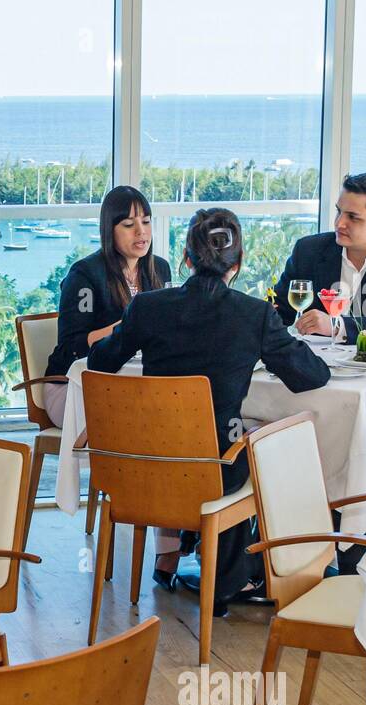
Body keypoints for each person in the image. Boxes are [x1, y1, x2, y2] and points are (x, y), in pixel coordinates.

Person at [89, 208, 329, 614]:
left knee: (225, 440)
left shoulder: (147, 307)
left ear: (185, 258)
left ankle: (203, 562)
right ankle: (239, 575)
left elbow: (100, 363)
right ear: (237, 263)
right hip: (212, 469)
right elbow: (311, 377)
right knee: (253, 445)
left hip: (143, 461)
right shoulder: (255, 315)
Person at [41, 185, 171, 426]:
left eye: (146, 221)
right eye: (129, 225)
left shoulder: (159, 269)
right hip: (73, 387)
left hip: (135, 382)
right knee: (148, 421)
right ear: (109, 230)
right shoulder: (85, 275)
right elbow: (72, 346)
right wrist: (127, 327)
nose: (141, 232)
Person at [272, 172, 366, 344]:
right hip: (315, 365)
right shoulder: (309, 251)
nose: (339, 223)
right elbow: (278, 310)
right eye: (339, 211)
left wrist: (338, 326)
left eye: (352, 217)